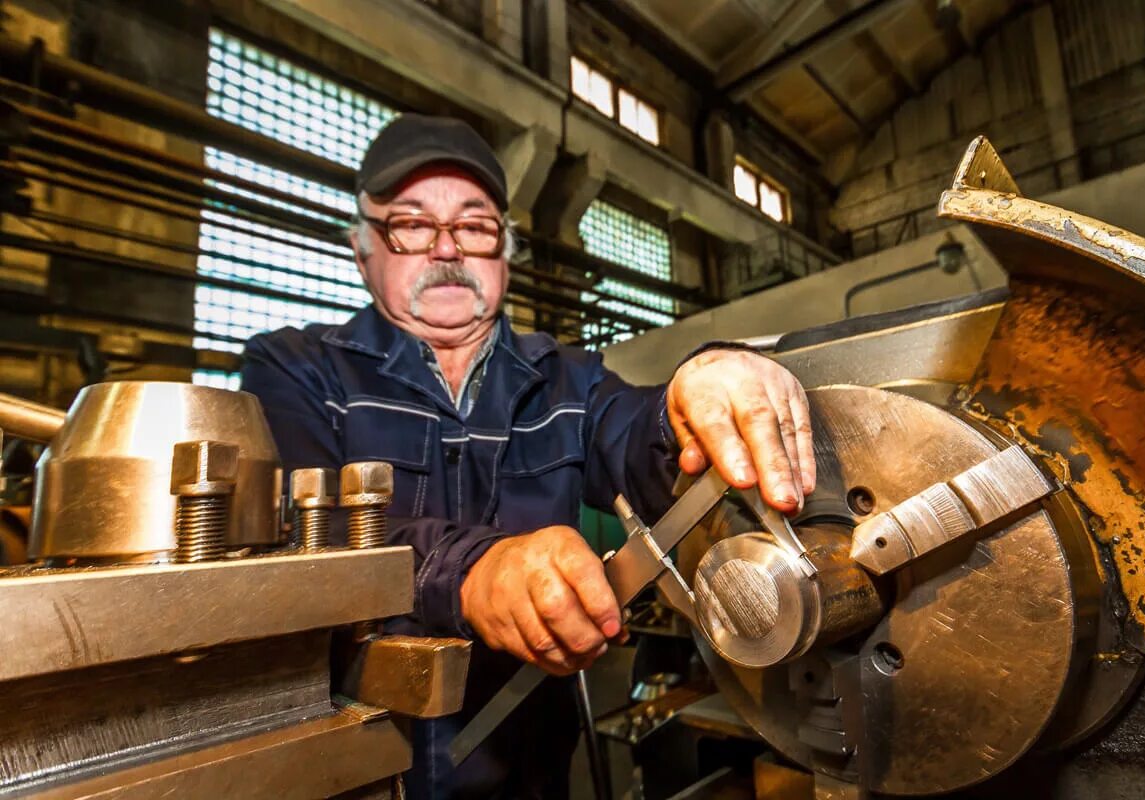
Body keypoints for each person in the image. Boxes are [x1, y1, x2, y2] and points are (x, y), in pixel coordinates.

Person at [241, 114, 814, 799]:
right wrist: (475, 570)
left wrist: (700, 389)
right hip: (350, 775)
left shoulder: (569, 382)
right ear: (364, 250)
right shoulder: (298, 370)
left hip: (527, 776)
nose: (447, 250)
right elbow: (306, 531)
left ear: (505, 253)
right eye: (413, 224)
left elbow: (639, 436)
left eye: (474, 225)